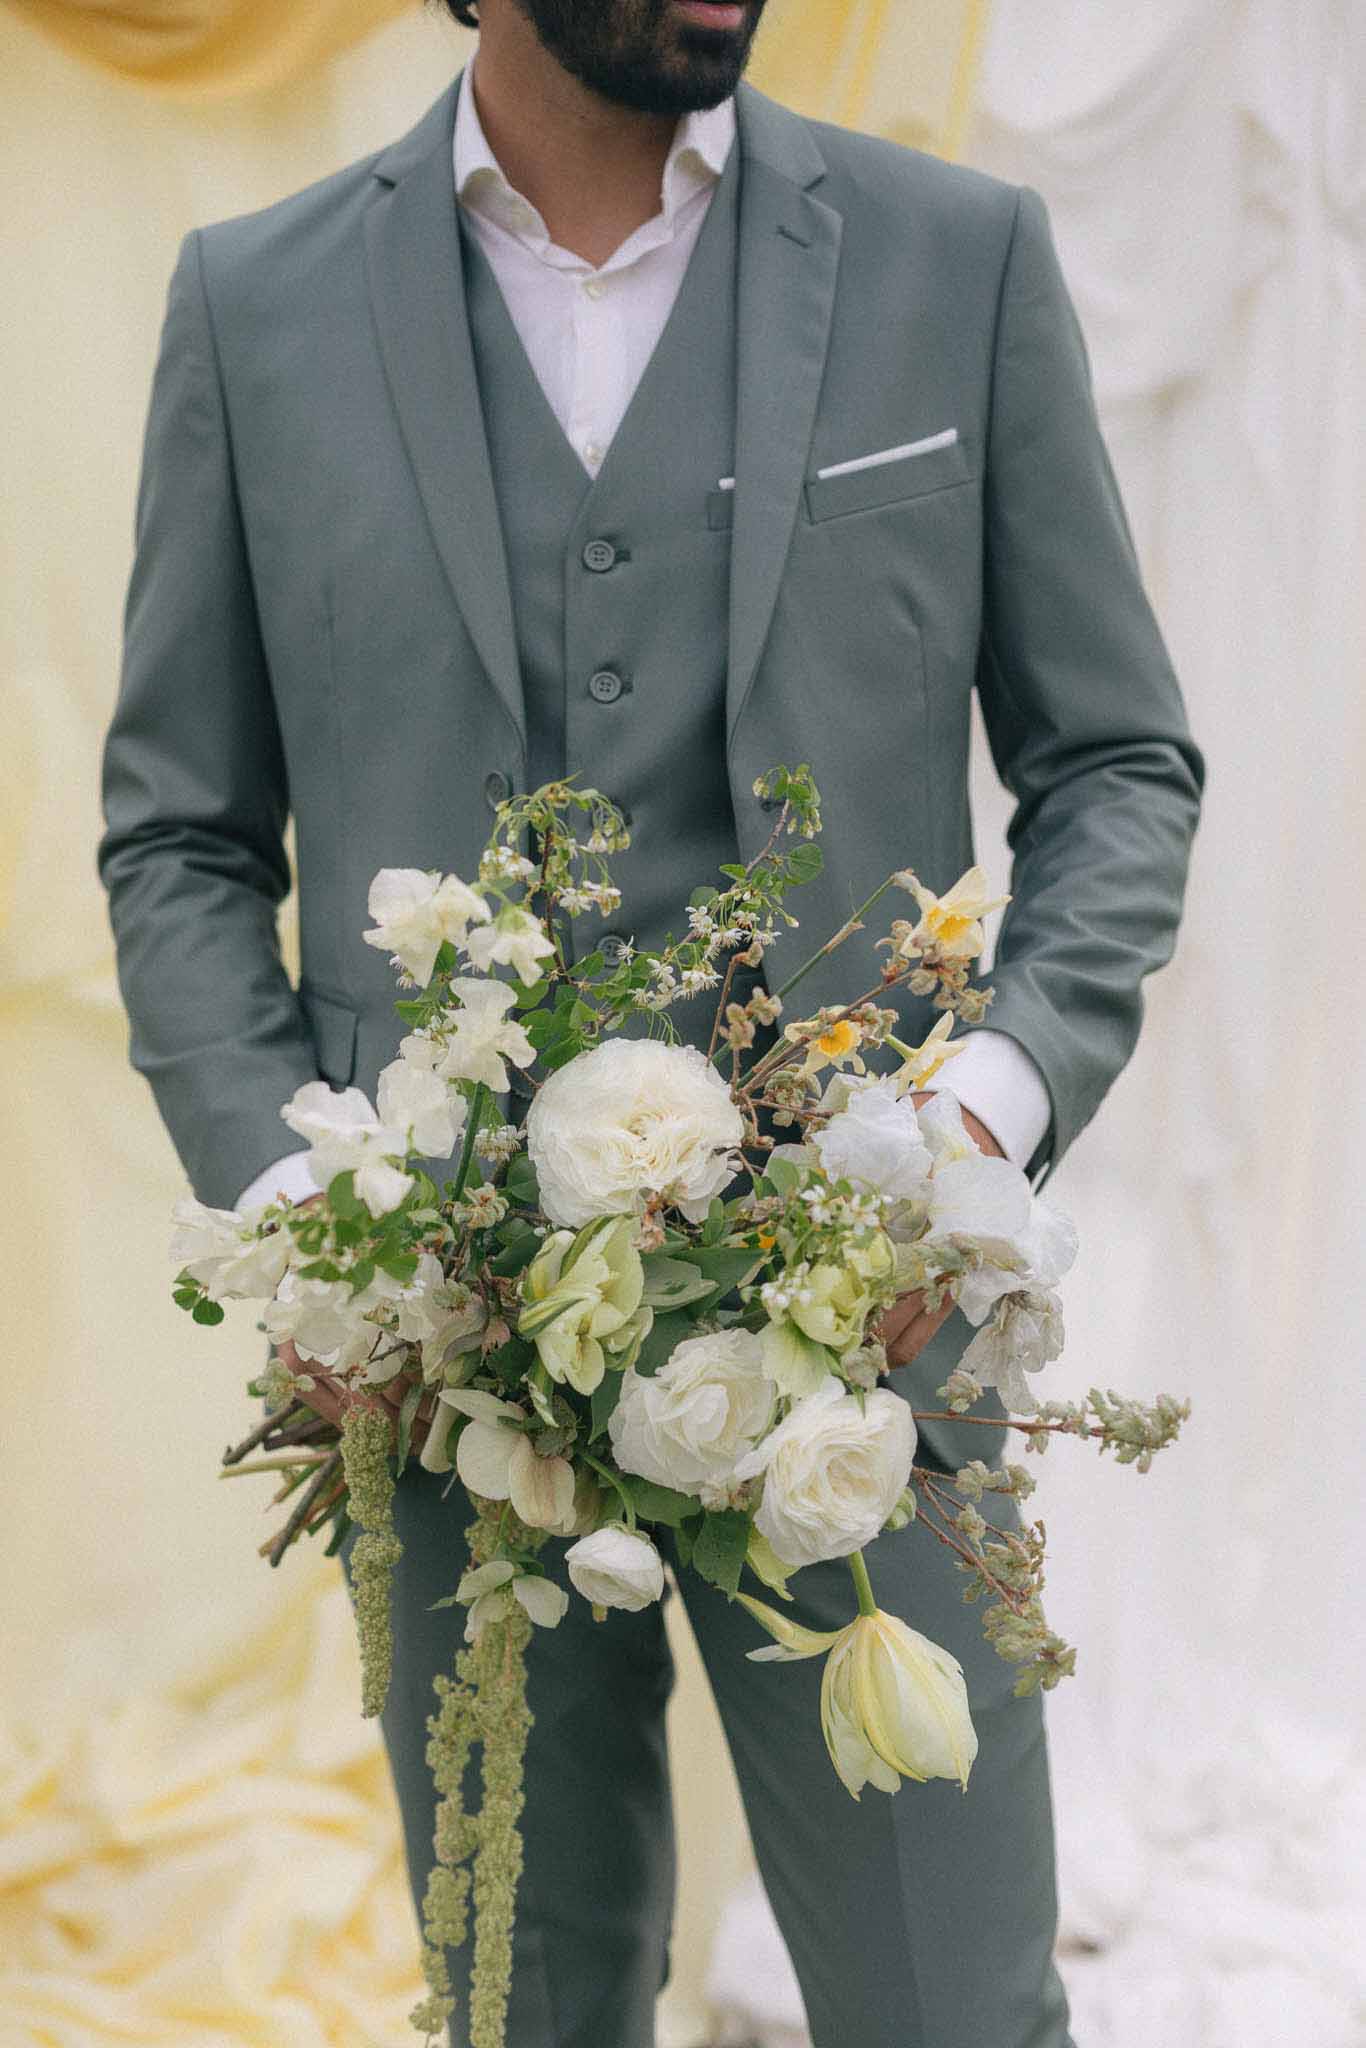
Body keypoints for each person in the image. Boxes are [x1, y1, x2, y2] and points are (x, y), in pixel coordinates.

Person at [97, 1, 1205, 2041]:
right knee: (523, 1998)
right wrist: (302, 1215)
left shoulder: (952, 257)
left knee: (948, 2005)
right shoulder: (255, 307)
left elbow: (1116, 760)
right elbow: (178, 836)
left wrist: (969, 1121)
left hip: (868, 1324)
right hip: (439, 1349)